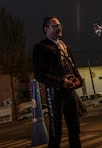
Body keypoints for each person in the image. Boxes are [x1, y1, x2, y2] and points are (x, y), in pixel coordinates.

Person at [33, 16, 83, 148]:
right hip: (55, 93)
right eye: (54, 26)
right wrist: (62, 81)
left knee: (75, 129)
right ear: (46, 29)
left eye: (60, 25)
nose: (59, 28)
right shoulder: (41, 47)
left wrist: (79, 80)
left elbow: (73, 66)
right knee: (56, 132)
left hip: (70, 93)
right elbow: (39, 75)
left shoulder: (65, 46)